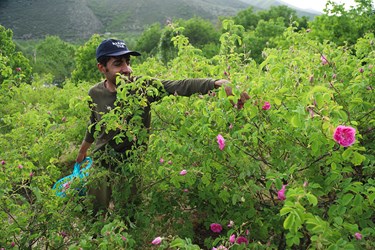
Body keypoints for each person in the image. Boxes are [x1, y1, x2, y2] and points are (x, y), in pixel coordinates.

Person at [75, 38, 247, 217]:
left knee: (129, 214)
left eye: (128, 62)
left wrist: (217, 83)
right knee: (95, 212)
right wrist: (82, 150)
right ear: (102, 68)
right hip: (102, 162)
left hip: (132, 165)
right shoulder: (94, 93)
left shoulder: (142, 86)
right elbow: (94, 124)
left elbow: (180, 85)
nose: (127, 69)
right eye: (118, 64)